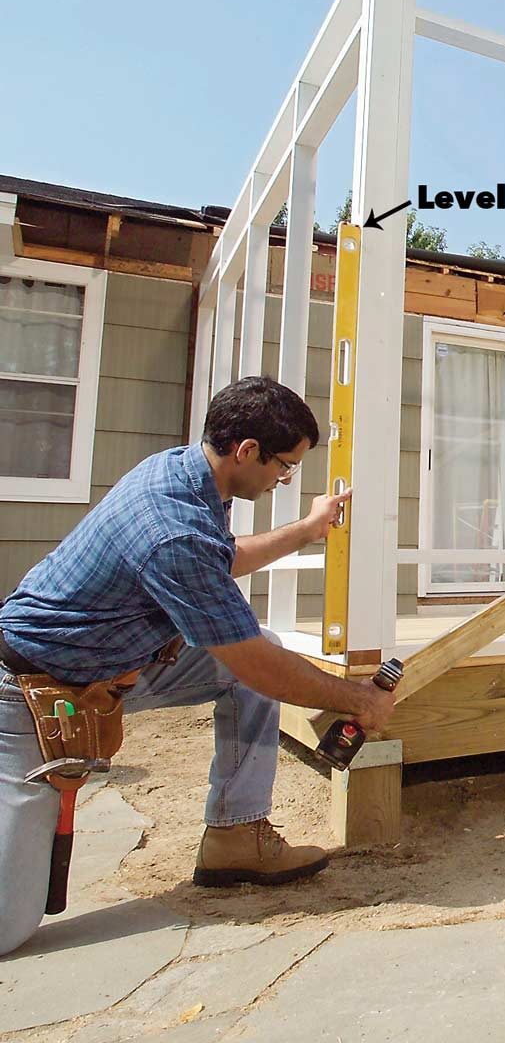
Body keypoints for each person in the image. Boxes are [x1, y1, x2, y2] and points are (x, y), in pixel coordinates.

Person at [0, 376, 395, 955]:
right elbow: (255, 663)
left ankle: (235, 836)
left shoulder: (183, 474)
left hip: (108, 664)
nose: (284, 479)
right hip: (33, 691)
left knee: (250, 651)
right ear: (247, 451)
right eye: (284, 466)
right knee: (9, 924)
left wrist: (308, 531)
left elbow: (219, 560)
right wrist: (359, 699)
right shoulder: (172, 528)